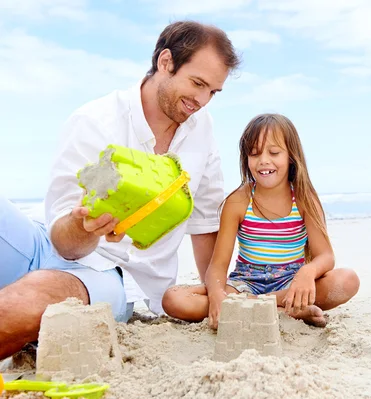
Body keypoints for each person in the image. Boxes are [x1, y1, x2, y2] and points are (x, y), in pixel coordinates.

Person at [0, 20, 241, 360]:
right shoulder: (95, 120)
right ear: (166, 62)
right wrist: (84, 227)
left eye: (213, 92)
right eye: (197, 83)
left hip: (111, 274)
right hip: (45, 241)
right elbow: (62, 242)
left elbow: (204, 225)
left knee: (34, 299)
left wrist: (215, 292)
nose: (202, 101)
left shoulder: (201, 128)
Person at [162, 113, 360, 328]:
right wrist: (219, 296)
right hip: (244, 284)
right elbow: (217, 267)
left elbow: (326, 256)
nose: (264, 160)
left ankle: (256, 307)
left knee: (347, 280)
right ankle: (284, 311)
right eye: (254, 154)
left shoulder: (304, 198)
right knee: (173, 298)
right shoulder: (237, 201)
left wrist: (307, 272)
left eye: (274, 152)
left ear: (291, 156)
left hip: (289, 285)